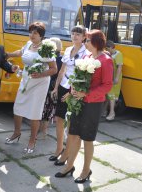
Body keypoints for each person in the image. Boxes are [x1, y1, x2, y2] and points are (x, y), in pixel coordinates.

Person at [55, 29, 113, 183]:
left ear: (95, 42)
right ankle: (69, 166)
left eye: (87, 40)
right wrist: (73, 90)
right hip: (78, 101)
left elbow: (107, 85)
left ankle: (86, 170)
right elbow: (78, 78)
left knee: (87, 138)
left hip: (93, 104)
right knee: (73, 134)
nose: (85, 42)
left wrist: (86, 94)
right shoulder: (86, 56)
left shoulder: (106, 60)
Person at [5, 22, 57, 153]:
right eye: (31, 32)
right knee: (17, 107)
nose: (32, 35)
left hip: (40, 83)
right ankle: (16, 133)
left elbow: (54, 69)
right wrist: (8, 54)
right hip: (26, 80)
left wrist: (41, 74)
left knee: (35, 112)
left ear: (41, 36)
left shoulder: (46, 48)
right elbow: (20, 52)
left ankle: (32, 141)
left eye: (35, 33)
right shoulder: (29, 44)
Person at [50, 25, 88, 164]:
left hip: (75, 89)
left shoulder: (86, 52)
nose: (75, 36)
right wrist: (55, 88)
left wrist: (72, 93)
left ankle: (67, 153)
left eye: (78, 34)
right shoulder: (67, 49)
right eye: (73, 33)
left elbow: (84, 75)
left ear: (84, 37)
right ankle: (59, 148)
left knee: (71, 122)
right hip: (63, 86)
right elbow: (62, 70)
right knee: (59, 118)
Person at [39, 37, 63, 139]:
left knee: (45, 111)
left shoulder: (56, 58)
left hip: (49, 87)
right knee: (45, 111)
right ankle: (42, 131)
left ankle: (43, 132)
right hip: (50, 87)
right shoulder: (58, 57)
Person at [105, 40, 123, 121]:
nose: (107, 50)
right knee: (107, 95)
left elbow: (119, 67)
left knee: (111, 95)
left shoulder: (118, 54)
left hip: (115, 77)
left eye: (108, 48)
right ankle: (105, 111)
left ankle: (112, 113)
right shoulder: (109, 54)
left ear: (111, 47)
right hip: (109, 76)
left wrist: (116, 78)